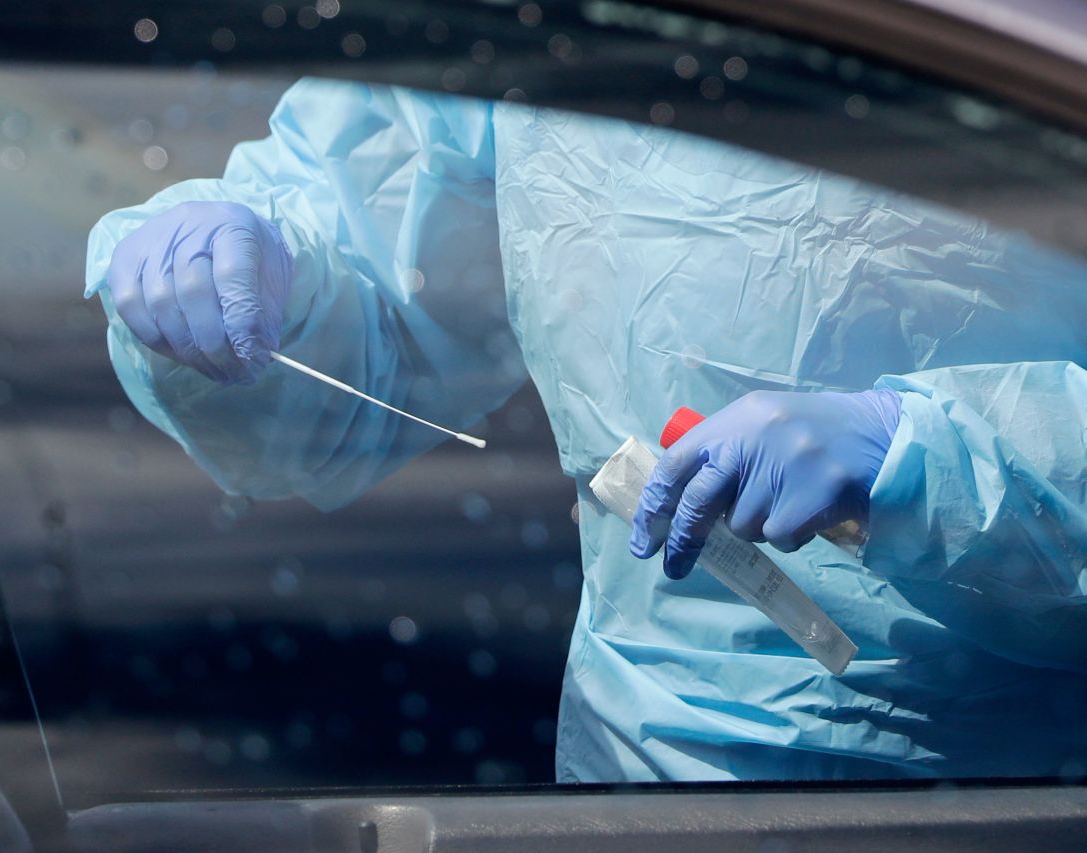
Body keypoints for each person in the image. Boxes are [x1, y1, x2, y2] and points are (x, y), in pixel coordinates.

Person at [86, 78, 1087, 782]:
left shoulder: (1012, 32)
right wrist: (263, 279)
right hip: (648, 767)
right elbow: (368, 337)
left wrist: (932, 465)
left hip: (1021, 787)